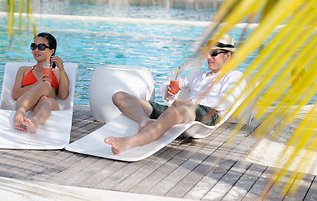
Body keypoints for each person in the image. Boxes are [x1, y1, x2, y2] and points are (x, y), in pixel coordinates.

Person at [104, 34, 246, 154]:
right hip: (181, 110)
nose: (208, 57)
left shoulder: (234, 76)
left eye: (214, 53)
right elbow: (173, 83)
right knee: (120, 96)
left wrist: (189, 102)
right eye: (207, 53)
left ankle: (129, 142)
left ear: (227, 56)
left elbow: (225, 100)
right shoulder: (198, 75)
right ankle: (144, 120)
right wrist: (169, 90)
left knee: (176, 110)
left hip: (208, 113)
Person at [11, 32, 69, 133]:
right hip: (24, 103)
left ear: (52, 51)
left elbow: (63, 95)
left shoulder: (58, 73)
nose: (36, 50)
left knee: (45, 99)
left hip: (48, 104)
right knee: (46, 84)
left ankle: (34, 122)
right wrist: (37, 84)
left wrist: (62, 70)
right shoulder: (23, 70)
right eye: (33, 46)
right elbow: (15, 95)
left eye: (41, 47)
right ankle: (20, 113)